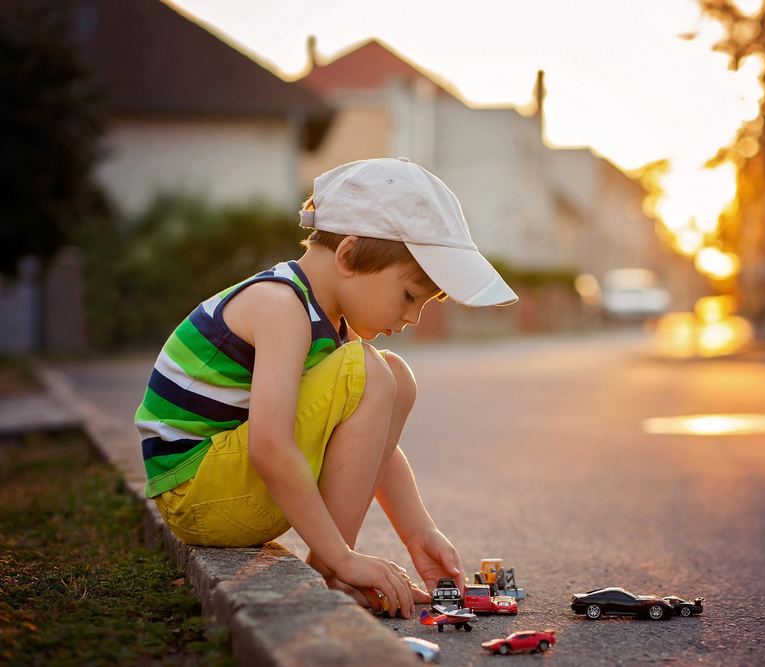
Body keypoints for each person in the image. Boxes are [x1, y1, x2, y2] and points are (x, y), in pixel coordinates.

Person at [134, 157, 517, 618]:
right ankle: (332, 569)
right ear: (348, 254)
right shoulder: (280, 305)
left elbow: (368, 442)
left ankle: (331, 569)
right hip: (197, 493)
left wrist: (419, 533)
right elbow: (271, 447)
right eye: (411, 296)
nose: (412, 317)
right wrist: (343, 556)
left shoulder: (329, 324)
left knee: (395, 377)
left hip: (231, 491)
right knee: (377, 371)